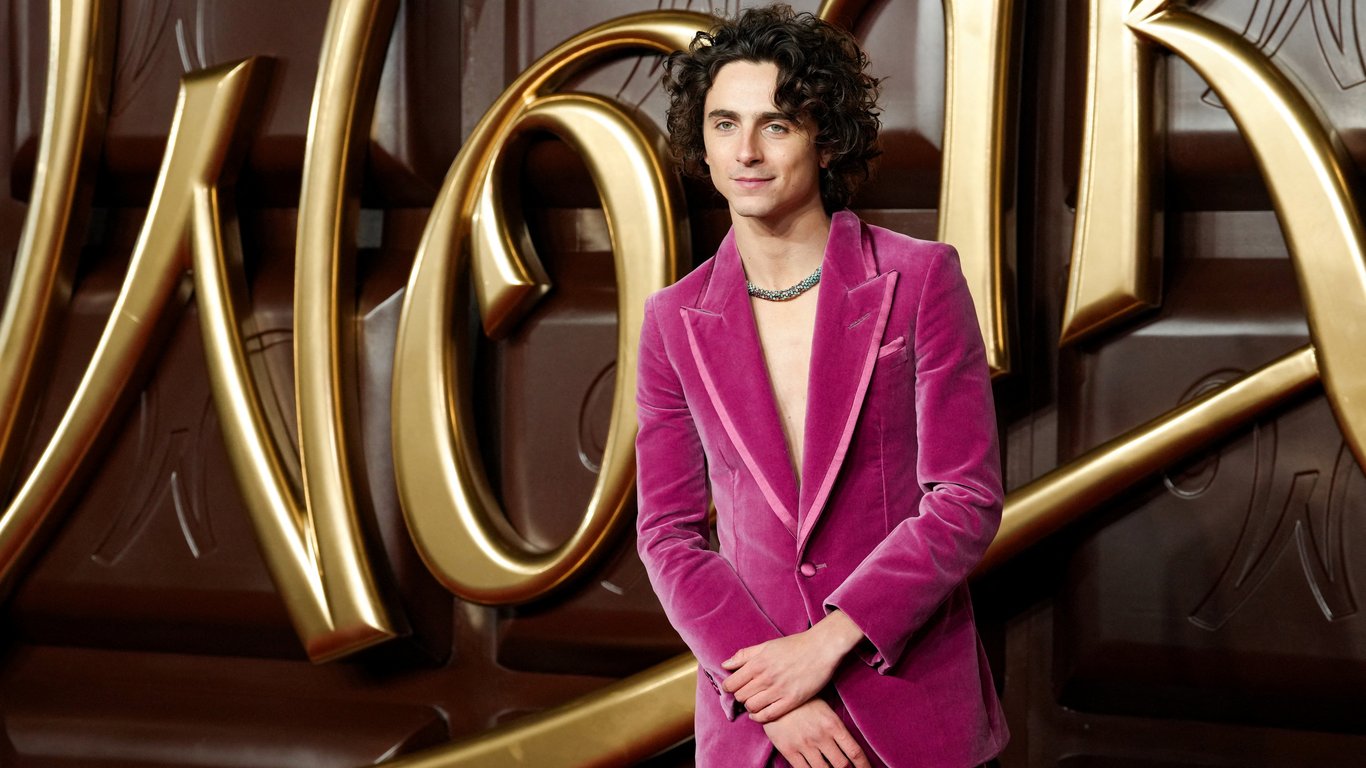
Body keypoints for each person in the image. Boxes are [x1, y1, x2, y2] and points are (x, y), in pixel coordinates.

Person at [634, 5, 1007, 766]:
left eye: (775, 125)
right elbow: (668, 534)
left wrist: (829, 643)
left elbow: (965, 497)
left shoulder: (920, 278)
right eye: (724, 124)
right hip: (759, 725)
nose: (746, 151)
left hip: (909, 705)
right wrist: (775, 697)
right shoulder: (673, 319)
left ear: (826, 137)